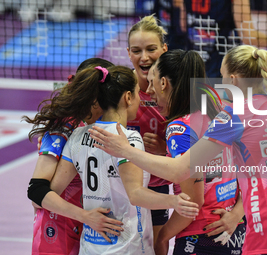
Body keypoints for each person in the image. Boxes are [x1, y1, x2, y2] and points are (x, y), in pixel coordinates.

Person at [89, 45, 267, 254]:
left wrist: (126, 150)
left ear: (234, 80)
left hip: (264, 233)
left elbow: (180, 170)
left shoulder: (233, 115)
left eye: (223, 75)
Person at [30, 65, 199, 254]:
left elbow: (48, 192)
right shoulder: (129, 139)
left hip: (90, 247)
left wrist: (85, 216)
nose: (140, 101)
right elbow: (136, 195)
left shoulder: (77, 135)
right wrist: (174, 201)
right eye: (136, 94)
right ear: (127, 97)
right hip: (128, 247)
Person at [146, 49, 245, 255]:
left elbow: (194, 202)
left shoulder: (180, 129)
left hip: (202, 235)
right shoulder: (221, 108)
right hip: (235, 229)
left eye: (152, 82)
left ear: (163, 83)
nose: (148, 90)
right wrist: (237, 213)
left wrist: (163, 237)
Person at [23, 58, 122, 255]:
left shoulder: (109, 122)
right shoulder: (65, 124)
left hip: (91, 224)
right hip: (59, 226)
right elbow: (37, 193)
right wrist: (85, 216)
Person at [154, 0, 267, 78]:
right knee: (223, 124)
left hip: (192, 70)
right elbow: (249, 37)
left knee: (195, 122)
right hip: (224, 74)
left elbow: (182, 26)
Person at [126, 14, 172, 244]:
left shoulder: (175, 90)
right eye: (136, 51)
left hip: (157, 183)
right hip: (121, 183)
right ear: (128, 53)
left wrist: (167, 148)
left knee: (157, 244)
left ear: (164, 49)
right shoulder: (119, 87)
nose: (144, 58)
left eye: (151, 49)